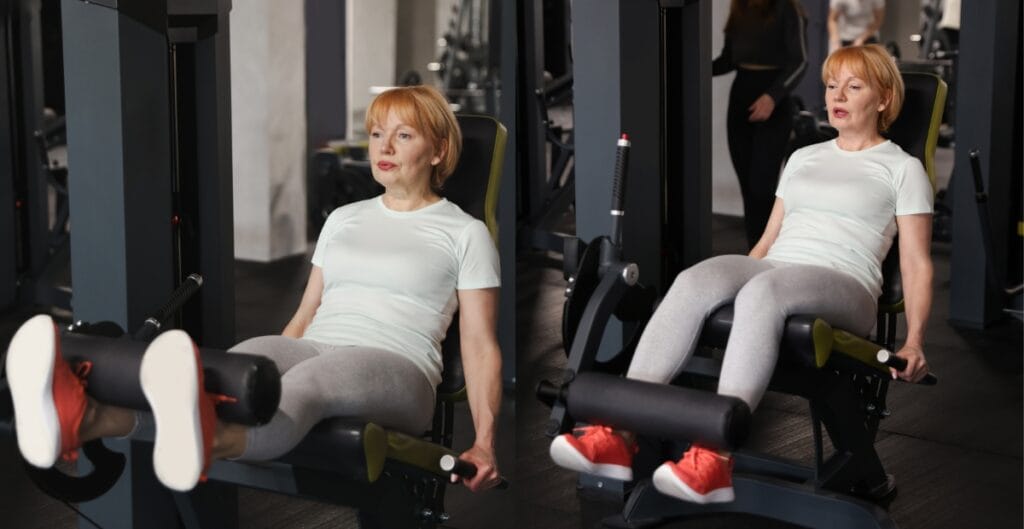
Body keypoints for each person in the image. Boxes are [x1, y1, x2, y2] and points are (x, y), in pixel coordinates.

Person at [5, 85, 504, 493]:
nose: (384, 148)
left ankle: (208, 440)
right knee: (229, 370)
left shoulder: (464, 232)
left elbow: (479, 346)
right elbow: (308, 311)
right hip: (317, 342)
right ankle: (84, 418)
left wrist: (483, 442)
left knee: (310, 384)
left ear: (439, 150)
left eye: (403, 135)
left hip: (400, 366)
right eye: (376, 134)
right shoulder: (345, 219)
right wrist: (268, 361)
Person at [550, 44, 933, 504]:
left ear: (884, 99)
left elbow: (914, 261)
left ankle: (713, 460)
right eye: (832, 85)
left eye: (854, 86)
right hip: (779, 268)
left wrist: (914, 340)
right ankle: (617, 434)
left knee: (765, 291)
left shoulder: (903, 168)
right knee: (697, 279)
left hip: (846, 283)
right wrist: (732, 281)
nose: (839, 95)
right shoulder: (803, 158)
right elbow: (768, 242)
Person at [713, 0, 809, 249]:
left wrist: (772, 97)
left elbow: (800, 62)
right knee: (747, 185)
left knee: (762, 188)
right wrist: (694, 66)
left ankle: (770, 251)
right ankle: (754, 252)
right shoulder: (738, 10)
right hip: (740, 100)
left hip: (774, 103)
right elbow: (728, 60)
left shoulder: (787, 9)